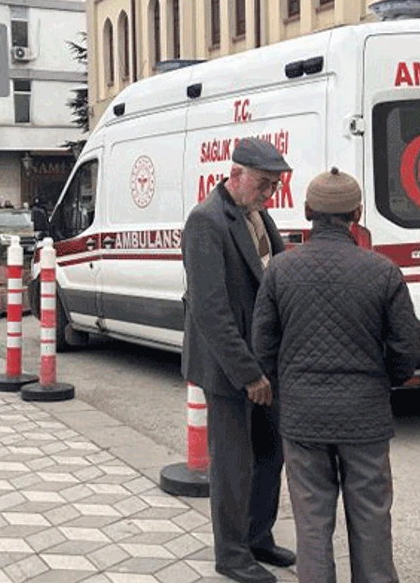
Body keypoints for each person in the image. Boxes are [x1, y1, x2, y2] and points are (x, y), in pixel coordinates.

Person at [253, 167, 420, 583]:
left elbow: (263, 346)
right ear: (357, 213)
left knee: (311, 526)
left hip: (303, 418)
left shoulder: (280, 271)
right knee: (372, 521)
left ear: (308, 211)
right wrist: (386, 381)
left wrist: (286, 388)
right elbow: (405, 350)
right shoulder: (382, 271)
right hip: (365, 419)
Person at [181, 138, 294, 583]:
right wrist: (247, 373)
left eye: (274, 186)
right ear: (236, 174)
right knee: (232, 463)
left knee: (270, 452)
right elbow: (210, 310)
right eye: (264, 184)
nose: (269, 194)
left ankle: (257, 537)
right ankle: (231, 554)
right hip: (229, 368)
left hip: (264, 361)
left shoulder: (257, 215)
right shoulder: (206, 222)